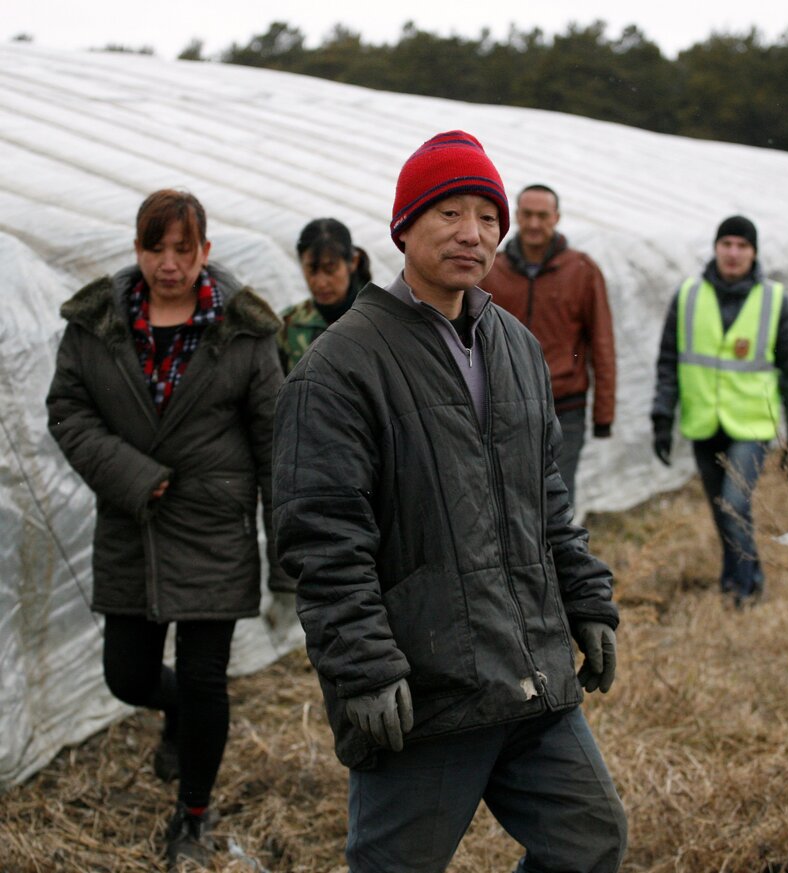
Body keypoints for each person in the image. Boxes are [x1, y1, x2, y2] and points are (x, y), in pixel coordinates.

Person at [272, 130, 626, 873]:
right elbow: (324, 539)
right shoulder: (341, 365)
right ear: (403, 226)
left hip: (529, 670)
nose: (474, 234)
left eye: (487, 216)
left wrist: (586, 597)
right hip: (425, 688)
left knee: (589, 843)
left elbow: (546, 500)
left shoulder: (516, 346)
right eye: (449, 213)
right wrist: (364, 666)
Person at [45, 189, 288, 869]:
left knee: (208, 677)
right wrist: (130, 473)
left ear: (206, 252)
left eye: (184, 249)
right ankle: (173, 710)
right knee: (128, 676)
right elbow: (66, 408)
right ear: (138, 249)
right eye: (157, 247)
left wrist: (287, 552)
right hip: (133, 522)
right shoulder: (98, 323)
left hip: (214, 526)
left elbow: (274, 439)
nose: (170, 263)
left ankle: (193, 816)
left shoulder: (243, 330)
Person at [651, 215, 788, 607]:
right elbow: (668, 360)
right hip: (704, 420)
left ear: (753, 253)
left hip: (752, 424)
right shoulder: (688, 295)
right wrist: (662, 416)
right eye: (727, 244)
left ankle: (744, 590)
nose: (734, 253)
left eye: (742, 246)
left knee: (734, 503)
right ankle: (739, 574)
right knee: (720, 508)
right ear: (716, 248)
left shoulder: (774, 300)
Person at [481, 184, 616, 510]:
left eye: (543, 216)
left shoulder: (581, 270)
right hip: (504, 405)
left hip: (564, 407)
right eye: (527, 215)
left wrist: (603, 414)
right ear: (515, 216)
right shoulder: (491, 270)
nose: (534, 224)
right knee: (508, 495)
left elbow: (602, 343)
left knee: (557, 498)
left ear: (556, 218)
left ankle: (559, 561)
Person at [278, 217, 373, 373]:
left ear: (353, 262)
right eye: (311, 270)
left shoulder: (379, 319)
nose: (321, 283)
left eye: (330, 269)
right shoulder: (288, 326)